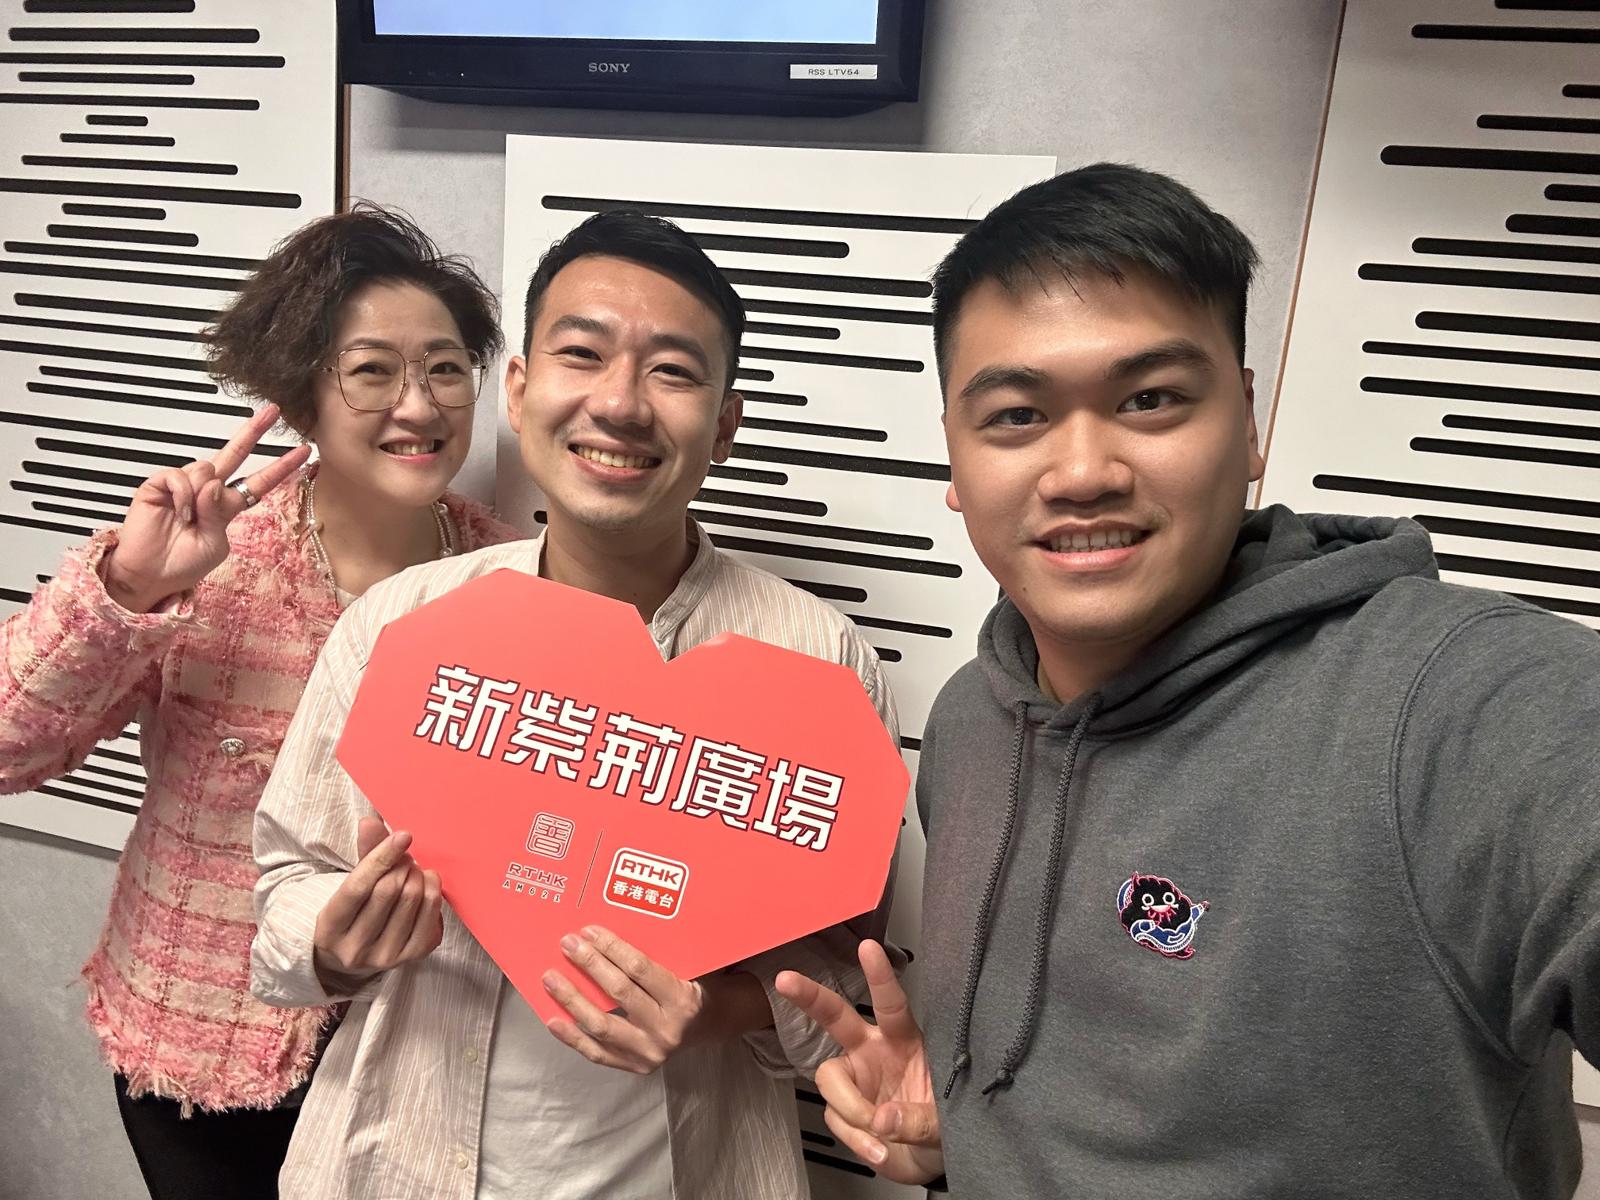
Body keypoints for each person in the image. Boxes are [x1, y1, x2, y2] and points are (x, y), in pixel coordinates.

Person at [777, 162, 1600, 1198]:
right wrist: (970, 1125)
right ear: (954, 456)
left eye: (1151, 399)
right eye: (1017, 416)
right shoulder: (969, 724)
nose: (1083, 472)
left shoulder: (1467, 704)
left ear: (1246, 421)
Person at [250, 210, 900, 1200]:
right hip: (396, 1162)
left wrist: (721, 1008)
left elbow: (853, 976)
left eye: (673, 371)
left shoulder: (819, 661)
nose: (621, 403)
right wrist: (336, 938)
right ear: (518, 391)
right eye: (582, 354)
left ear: (726, 424)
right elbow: (285, 883)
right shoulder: (405, 623)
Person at [0, 202, 514, 1200]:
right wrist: (130, 590)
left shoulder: (509, 583)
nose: (419, 405)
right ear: (301, 399)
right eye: (372, 371)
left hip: (419, 1056)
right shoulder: (208, 562)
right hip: (205, 1046)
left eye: (447, 368)